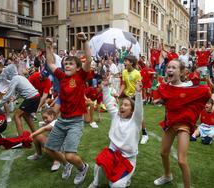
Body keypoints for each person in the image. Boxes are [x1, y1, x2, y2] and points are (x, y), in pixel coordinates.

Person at [153, 59, 210, 188]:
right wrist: (160, 101)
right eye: (168, 67)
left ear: (182, 72)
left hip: (183, 126)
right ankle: (167, 175)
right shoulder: (166, 87)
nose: (170, 70)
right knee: (163, 153)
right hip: (170, 123)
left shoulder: (191, 87)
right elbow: (169, 99)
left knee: (182, 161)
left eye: (174, 67)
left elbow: (206, 91)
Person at [44, 32, 91, 185]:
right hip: (62, 120)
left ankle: (83, 168)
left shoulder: (80, 76)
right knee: (49, 149)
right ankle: (66, 165)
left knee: (70, 154)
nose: (67, 66)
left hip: (75, 121)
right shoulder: (62, 77)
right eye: (65, 64)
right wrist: (49, 46)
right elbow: (51, 64)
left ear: (78, 68)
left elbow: (88, 60)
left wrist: (85, 42)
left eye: (71, 64)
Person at [88, 80, 143, 188]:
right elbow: (108, 103)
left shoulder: (135, 122)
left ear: (132, 111)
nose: (122, 106)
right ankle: (95, 184)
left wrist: (138, 93)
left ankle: (125, 180)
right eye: (122, 104)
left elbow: (139, 110)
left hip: (128, 159)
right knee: (99, 164)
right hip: (112, 153)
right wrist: (105, 87)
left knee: (115, 186)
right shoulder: (116, 116)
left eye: (126, 105)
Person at [119, 54, 149, 144]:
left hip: (136, 97)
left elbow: (139, 86)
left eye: (126, 61)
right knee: (125, 114)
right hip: (127, 96)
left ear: (131, 63)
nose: (124, 62)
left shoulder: (137, 73)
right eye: (124, 60)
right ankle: (127, 134)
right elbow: (124, 84)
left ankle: (144, 134)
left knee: (139, 116)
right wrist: (119, 93)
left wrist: (134, 95)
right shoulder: (124, 72)